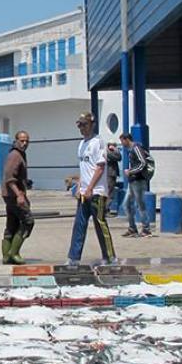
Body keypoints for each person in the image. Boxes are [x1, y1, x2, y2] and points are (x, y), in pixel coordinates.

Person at [67, 113, 116, 264]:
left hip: (97, 193)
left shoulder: (98, 142)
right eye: (80, 125)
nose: (82, 128)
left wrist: (90, 188)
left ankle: (109, 256)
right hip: (84, 192)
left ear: (92, 124)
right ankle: (74, 257)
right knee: (79, 225)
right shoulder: (81, 144)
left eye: (85, 124)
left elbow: (100, 168)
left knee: (100, 224)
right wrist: (80, 186)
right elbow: (84, 168)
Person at [1, 131, 34, 264]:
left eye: (26, 141)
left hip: (10, 195)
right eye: (21, 140)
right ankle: (13, 253)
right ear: (15, 141)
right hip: (13, 195)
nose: (24, 143)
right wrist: (19, 195)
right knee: (28, 221)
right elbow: (10, 178)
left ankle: (6, 256)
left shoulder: (19, 154)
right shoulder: (15, 155)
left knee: (12, 224)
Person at [119, 132, 152, 237]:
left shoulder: (136, 148)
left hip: (139, 181)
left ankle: (146, 229)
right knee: (126, 204)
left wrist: (131, 171)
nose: (122, 144)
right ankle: (132, 228)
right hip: (132, 181)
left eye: (122, 141)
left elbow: (143, 163)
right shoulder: (130, 150)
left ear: (126, 139)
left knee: (140, 205)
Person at [106, 142, 121, 216]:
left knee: (109, 192)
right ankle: (106, 210)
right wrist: (116, 150)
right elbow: (119, 157)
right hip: (110, 174)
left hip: (110, 174)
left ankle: (105, 210)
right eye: (114, 145)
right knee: (109, 193)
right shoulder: (108, 153)